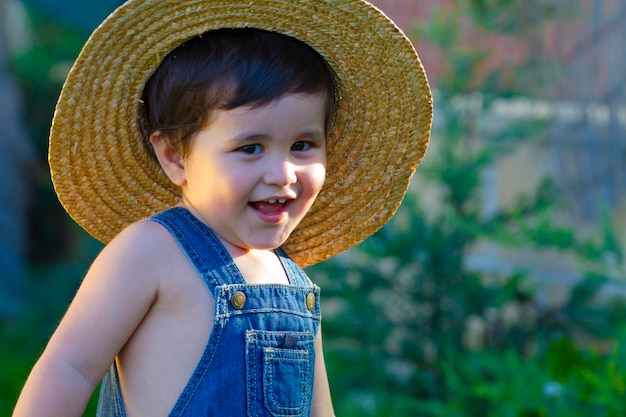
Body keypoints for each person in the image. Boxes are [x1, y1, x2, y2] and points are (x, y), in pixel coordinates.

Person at [13, 1, 432, 416]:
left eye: (302, 145)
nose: (283, 173)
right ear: (175, 158)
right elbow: (69, 369)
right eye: (250, 148)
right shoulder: (150, 252)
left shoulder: (292, 281)